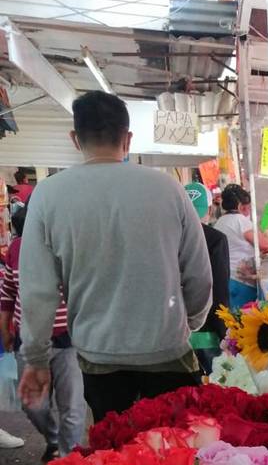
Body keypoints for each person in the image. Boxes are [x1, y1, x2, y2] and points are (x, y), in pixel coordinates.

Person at [17, 91, 212, 423]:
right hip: (166, 349)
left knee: (117, 458)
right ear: (128, 137)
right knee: (179, 457)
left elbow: (37, 290)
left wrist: (36, 358)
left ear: (75, 139)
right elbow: (198, 275)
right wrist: (189, 321)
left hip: (98, 357)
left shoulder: (48, 195)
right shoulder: (167, 189)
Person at [0, 208, 86, 459]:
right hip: (27, 339)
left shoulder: (66, 245)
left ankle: (69, 458)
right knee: (33, 405)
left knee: (72, 405)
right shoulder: (16, 249)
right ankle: (54, 439)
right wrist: (5, 327)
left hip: (67, 339)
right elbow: (7, 292)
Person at [183, 182, 230, 374]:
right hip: (207, 331)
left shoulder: (169, 236)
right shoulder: (215, 238)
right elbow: (219, 288)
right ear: (209, 209)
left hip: (172, 336)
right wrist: (224, 332)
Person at [215, 184, 265, 309]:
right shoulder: (240, 221)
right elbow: (264, 244)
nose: (248, 211)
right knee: (242, 322)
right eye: (248, 207)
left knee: (231, 321)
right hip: (241, 282)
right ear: (240, 206)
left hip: (227, 279)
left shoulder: (220, 221)